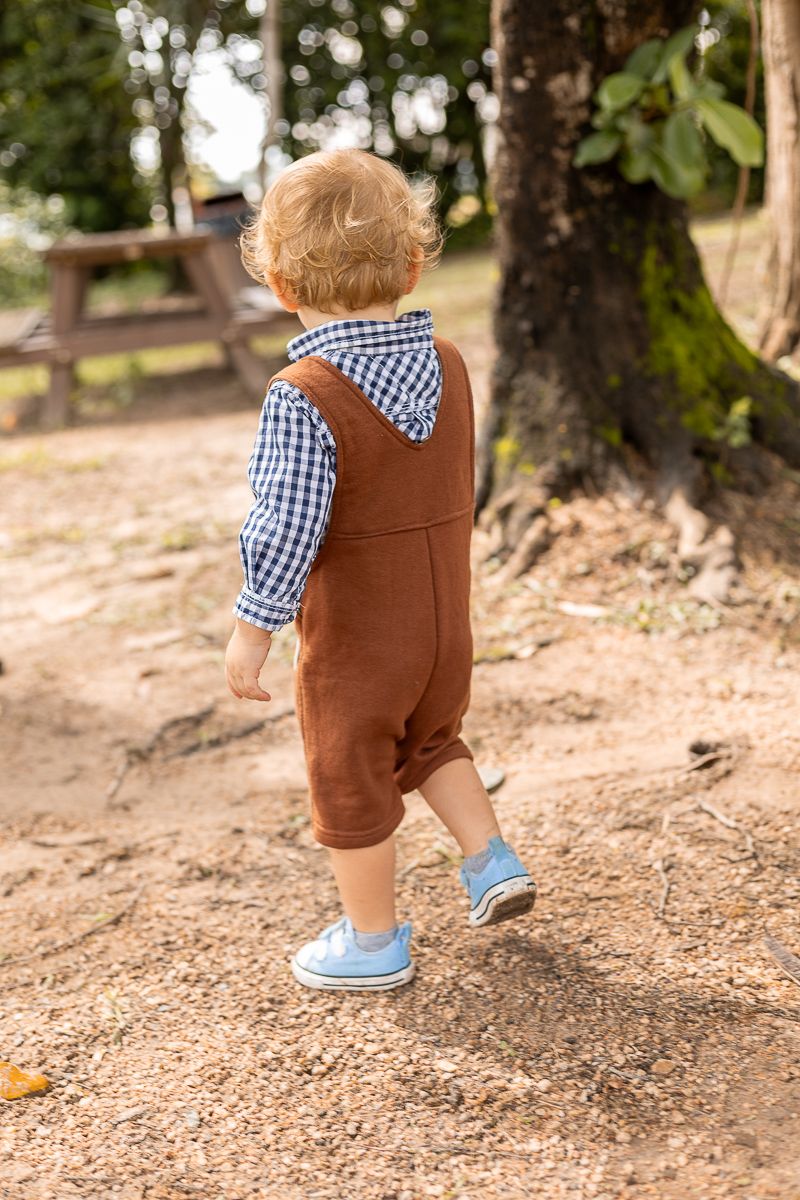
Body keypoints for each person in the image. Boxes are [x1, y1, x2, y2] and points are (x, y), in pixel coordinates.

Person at [225, 148, 536, 991]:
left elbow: (286, 523)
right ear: (410, 262)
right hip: (445, 629)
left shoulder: (306, 391)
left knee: (349, 771)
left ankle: (372, 943)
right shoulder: (451, 363)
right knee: (433, 739)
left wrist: (255, 626)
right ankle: (490, 857)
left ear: (282, 286)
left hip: (362, 639)